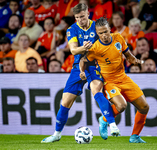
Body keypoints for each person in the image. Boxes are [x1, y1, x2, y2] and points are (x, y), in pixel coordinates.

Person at [41, 3, 119, 143]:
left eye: (82, 17)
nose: (80, 20)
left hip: (95, 65)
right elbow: (73, 50)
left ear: (88, 13)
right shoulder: (72, 29)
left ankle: (112, 125)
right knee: (65, 102)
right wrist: (84, 48)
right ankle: (57, 134)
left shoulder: (97, 27)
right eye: (77, 17)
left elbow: (108, 43)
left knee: (97, 90)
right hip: (78, 66)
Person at [79, 17, 149, 143]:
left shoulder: (118, 38)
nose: (104, 35)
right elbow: (83, 60)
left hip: (123, 77)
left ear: (110, 29)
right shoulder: (95, 47)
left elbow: (128, 56)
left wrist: (140, 61)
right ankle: (104, 120)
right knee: (121, 106)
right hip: (108, 81)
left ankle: (134, 137)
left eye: (105, 31)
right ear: (97, 33)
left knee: (144, 107)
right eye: (100, 33)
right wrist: (82, 72)